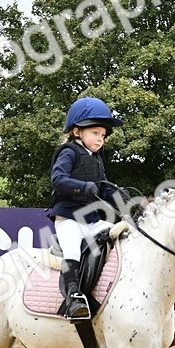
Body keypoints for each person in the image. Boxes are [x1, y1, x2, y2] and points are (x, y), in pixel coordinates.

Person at [47, 97, 123, 320]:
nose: (100, 139)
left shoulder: (97, 158)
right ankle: (73, 299)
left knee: (119, 235)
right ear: (77, 131)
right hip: (68, 219)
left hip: (92, 221)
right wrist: (83, 187)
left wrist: (124, 202)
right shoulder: (68, 152)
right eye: (95, 133)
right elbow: (58, 180)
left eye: (103, 135)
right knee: (72, 251)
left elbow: (105, 189)